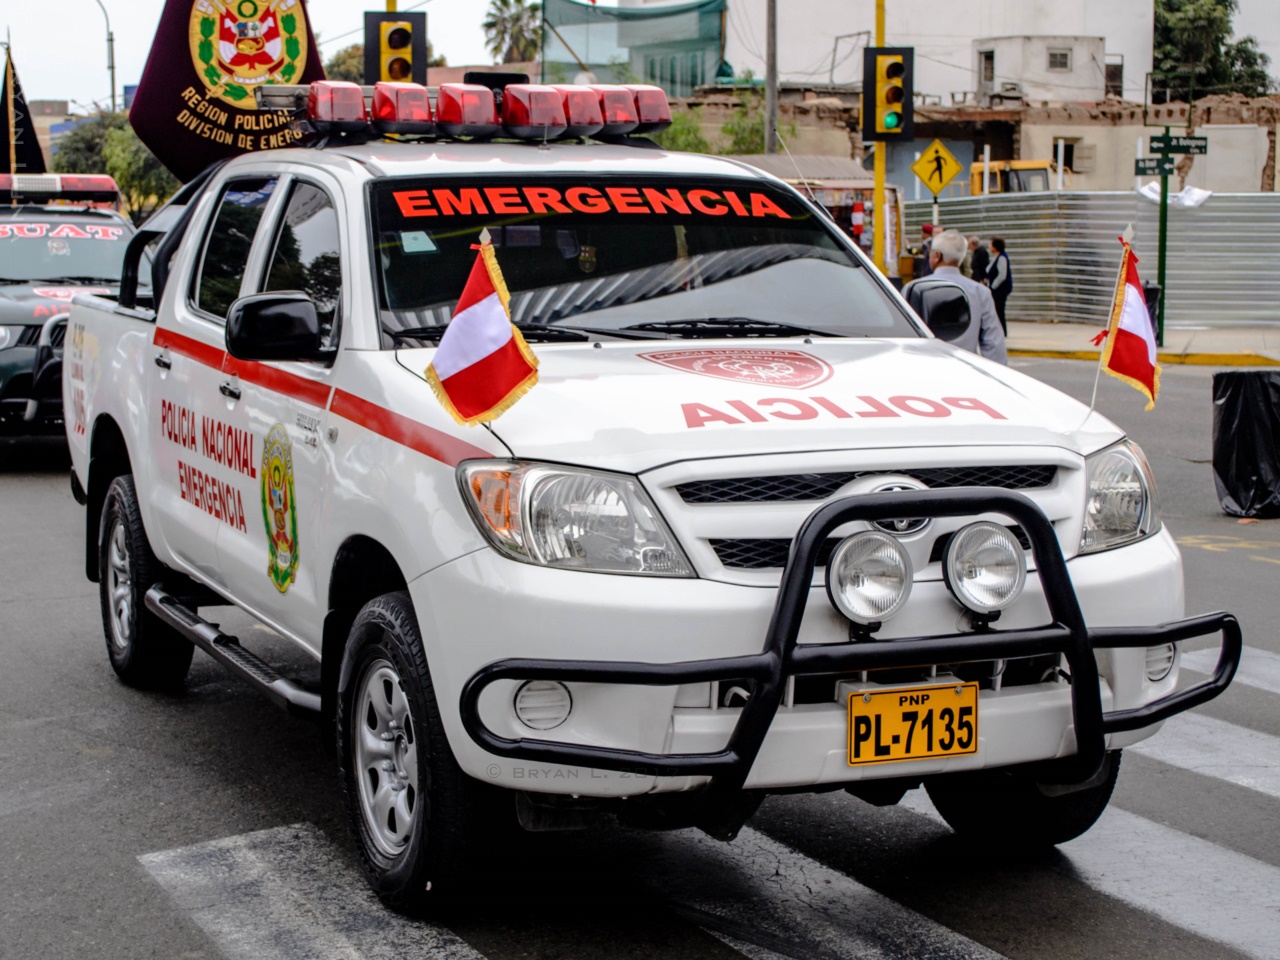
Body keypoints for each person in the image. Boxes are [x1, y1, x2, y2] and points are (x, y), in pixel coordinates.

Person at [903, 229, 1007, 364]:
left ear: (937, 255)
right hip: (965, 373)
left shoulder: (913, 288)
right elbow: (993, 343)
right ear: (962, 258)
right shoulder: (980, 292)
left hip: (924, 370)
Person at [985, 236, 1013, 334]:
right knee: (997, 310)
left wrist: (992, 287)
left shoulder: (1002, 258)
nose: (989, 246)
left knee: (999, 310)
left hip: (1000, 290)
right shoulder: (997, 257)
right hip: (996, 289)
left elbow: (1002, 275)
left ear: (995, 246)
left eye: (990, 244)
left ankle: (1002, 331)